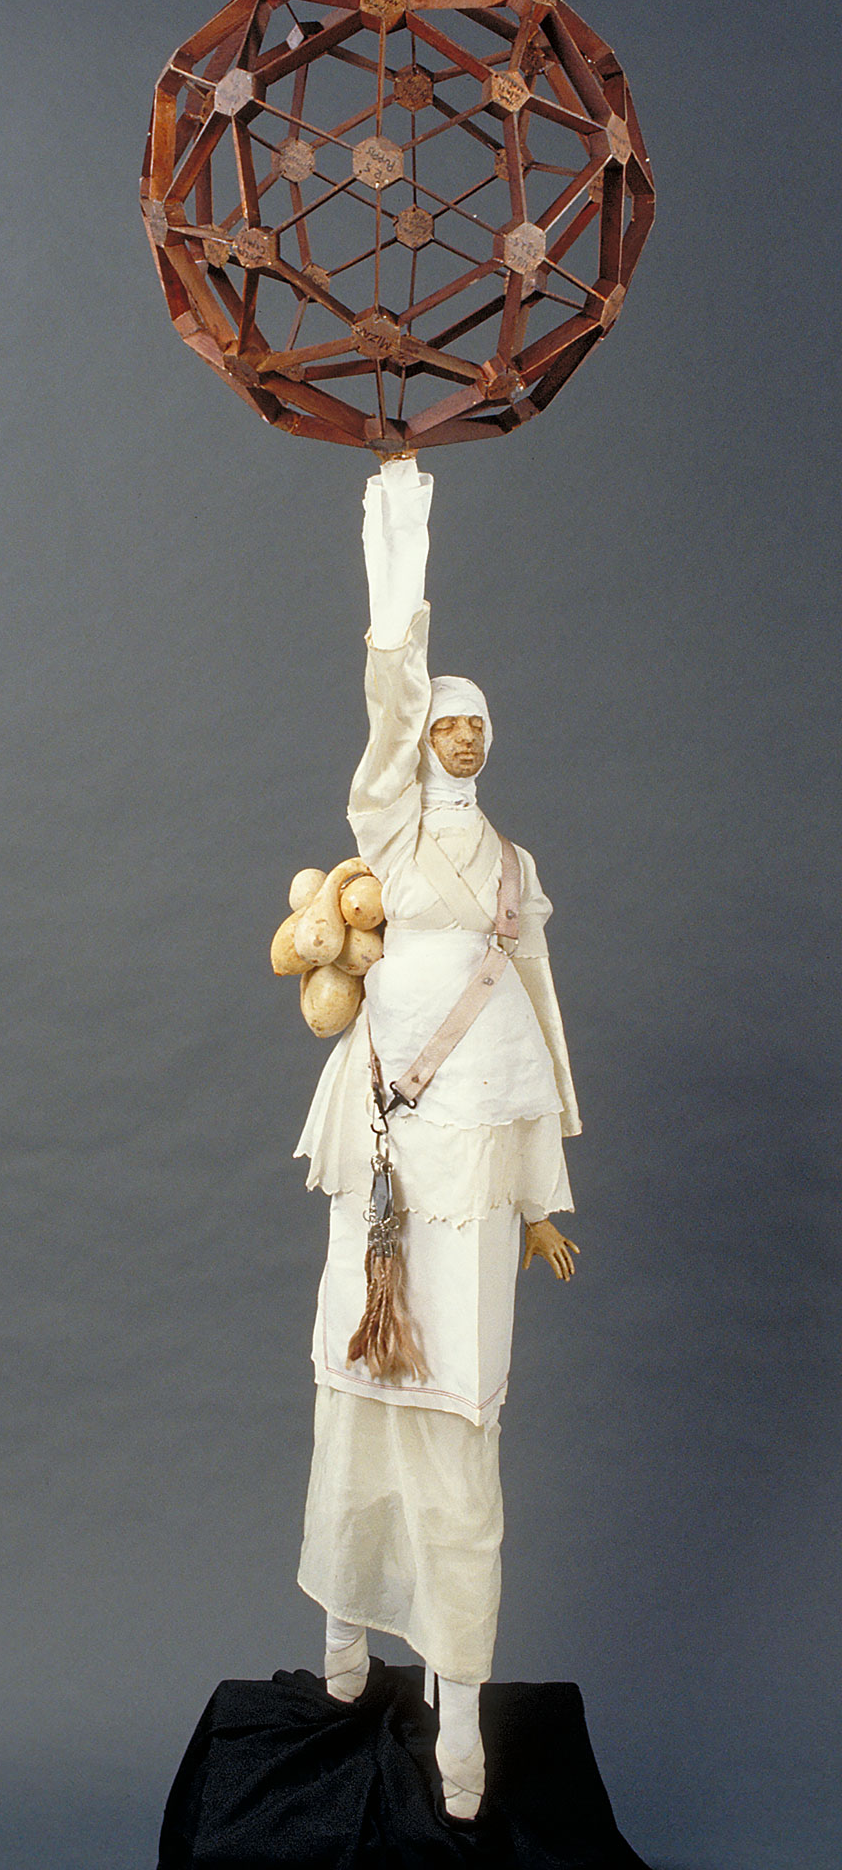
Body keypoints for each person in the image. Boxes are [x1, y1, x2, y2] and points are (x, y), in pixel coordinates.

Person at [295, 454, 581, 1820]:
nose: (456, 738)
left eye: (473, 725)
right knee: (356, 1389)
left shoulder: (514, 871)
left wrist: (544, 1192)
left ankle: (457, 1705)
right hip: (382, 1144)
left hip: (476, 1160)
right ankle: (344, 1641)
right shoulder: (391, 832)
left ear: (494, 742)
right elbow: (388, 701)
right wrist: (399, 564)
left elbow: (537, 1024)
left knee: (462, 1413)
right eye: (444, 723)